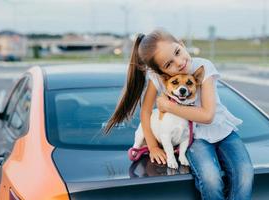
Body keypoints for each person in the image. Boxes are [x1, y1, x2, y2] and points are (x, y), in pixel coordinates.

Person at [105, 29, 254, 200]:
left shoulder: (202, 67)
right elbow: (146, 111)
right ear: (161, 72)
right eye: (168, 64)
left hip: (222, 130)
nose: (179, 62)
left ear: (182, 44)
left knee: (245, 173)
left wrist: (168, 106)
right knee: (210, 179)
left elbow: (207, 116)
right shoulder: (159, 80)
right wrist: (152, 146)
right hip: (193, 137)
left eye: (177, 52)